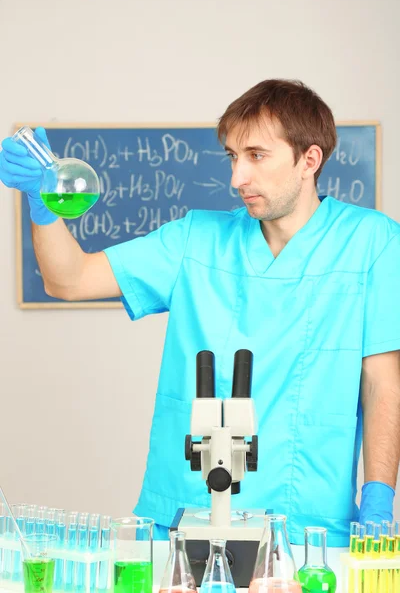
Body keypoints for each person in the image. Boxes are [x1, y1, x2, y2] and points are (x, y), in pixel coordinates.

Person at [1, 79, 399, 546]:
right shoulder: (195, 240)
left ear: (309, 160)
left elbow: (382, 384)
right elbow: (67, 280)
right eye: (233, 157)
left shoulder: (373, 243)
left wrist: (378, 497)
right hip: (183, 515)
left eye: (256, 155)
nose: (237, 178)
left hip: (306, 524)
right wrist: (43, 203)